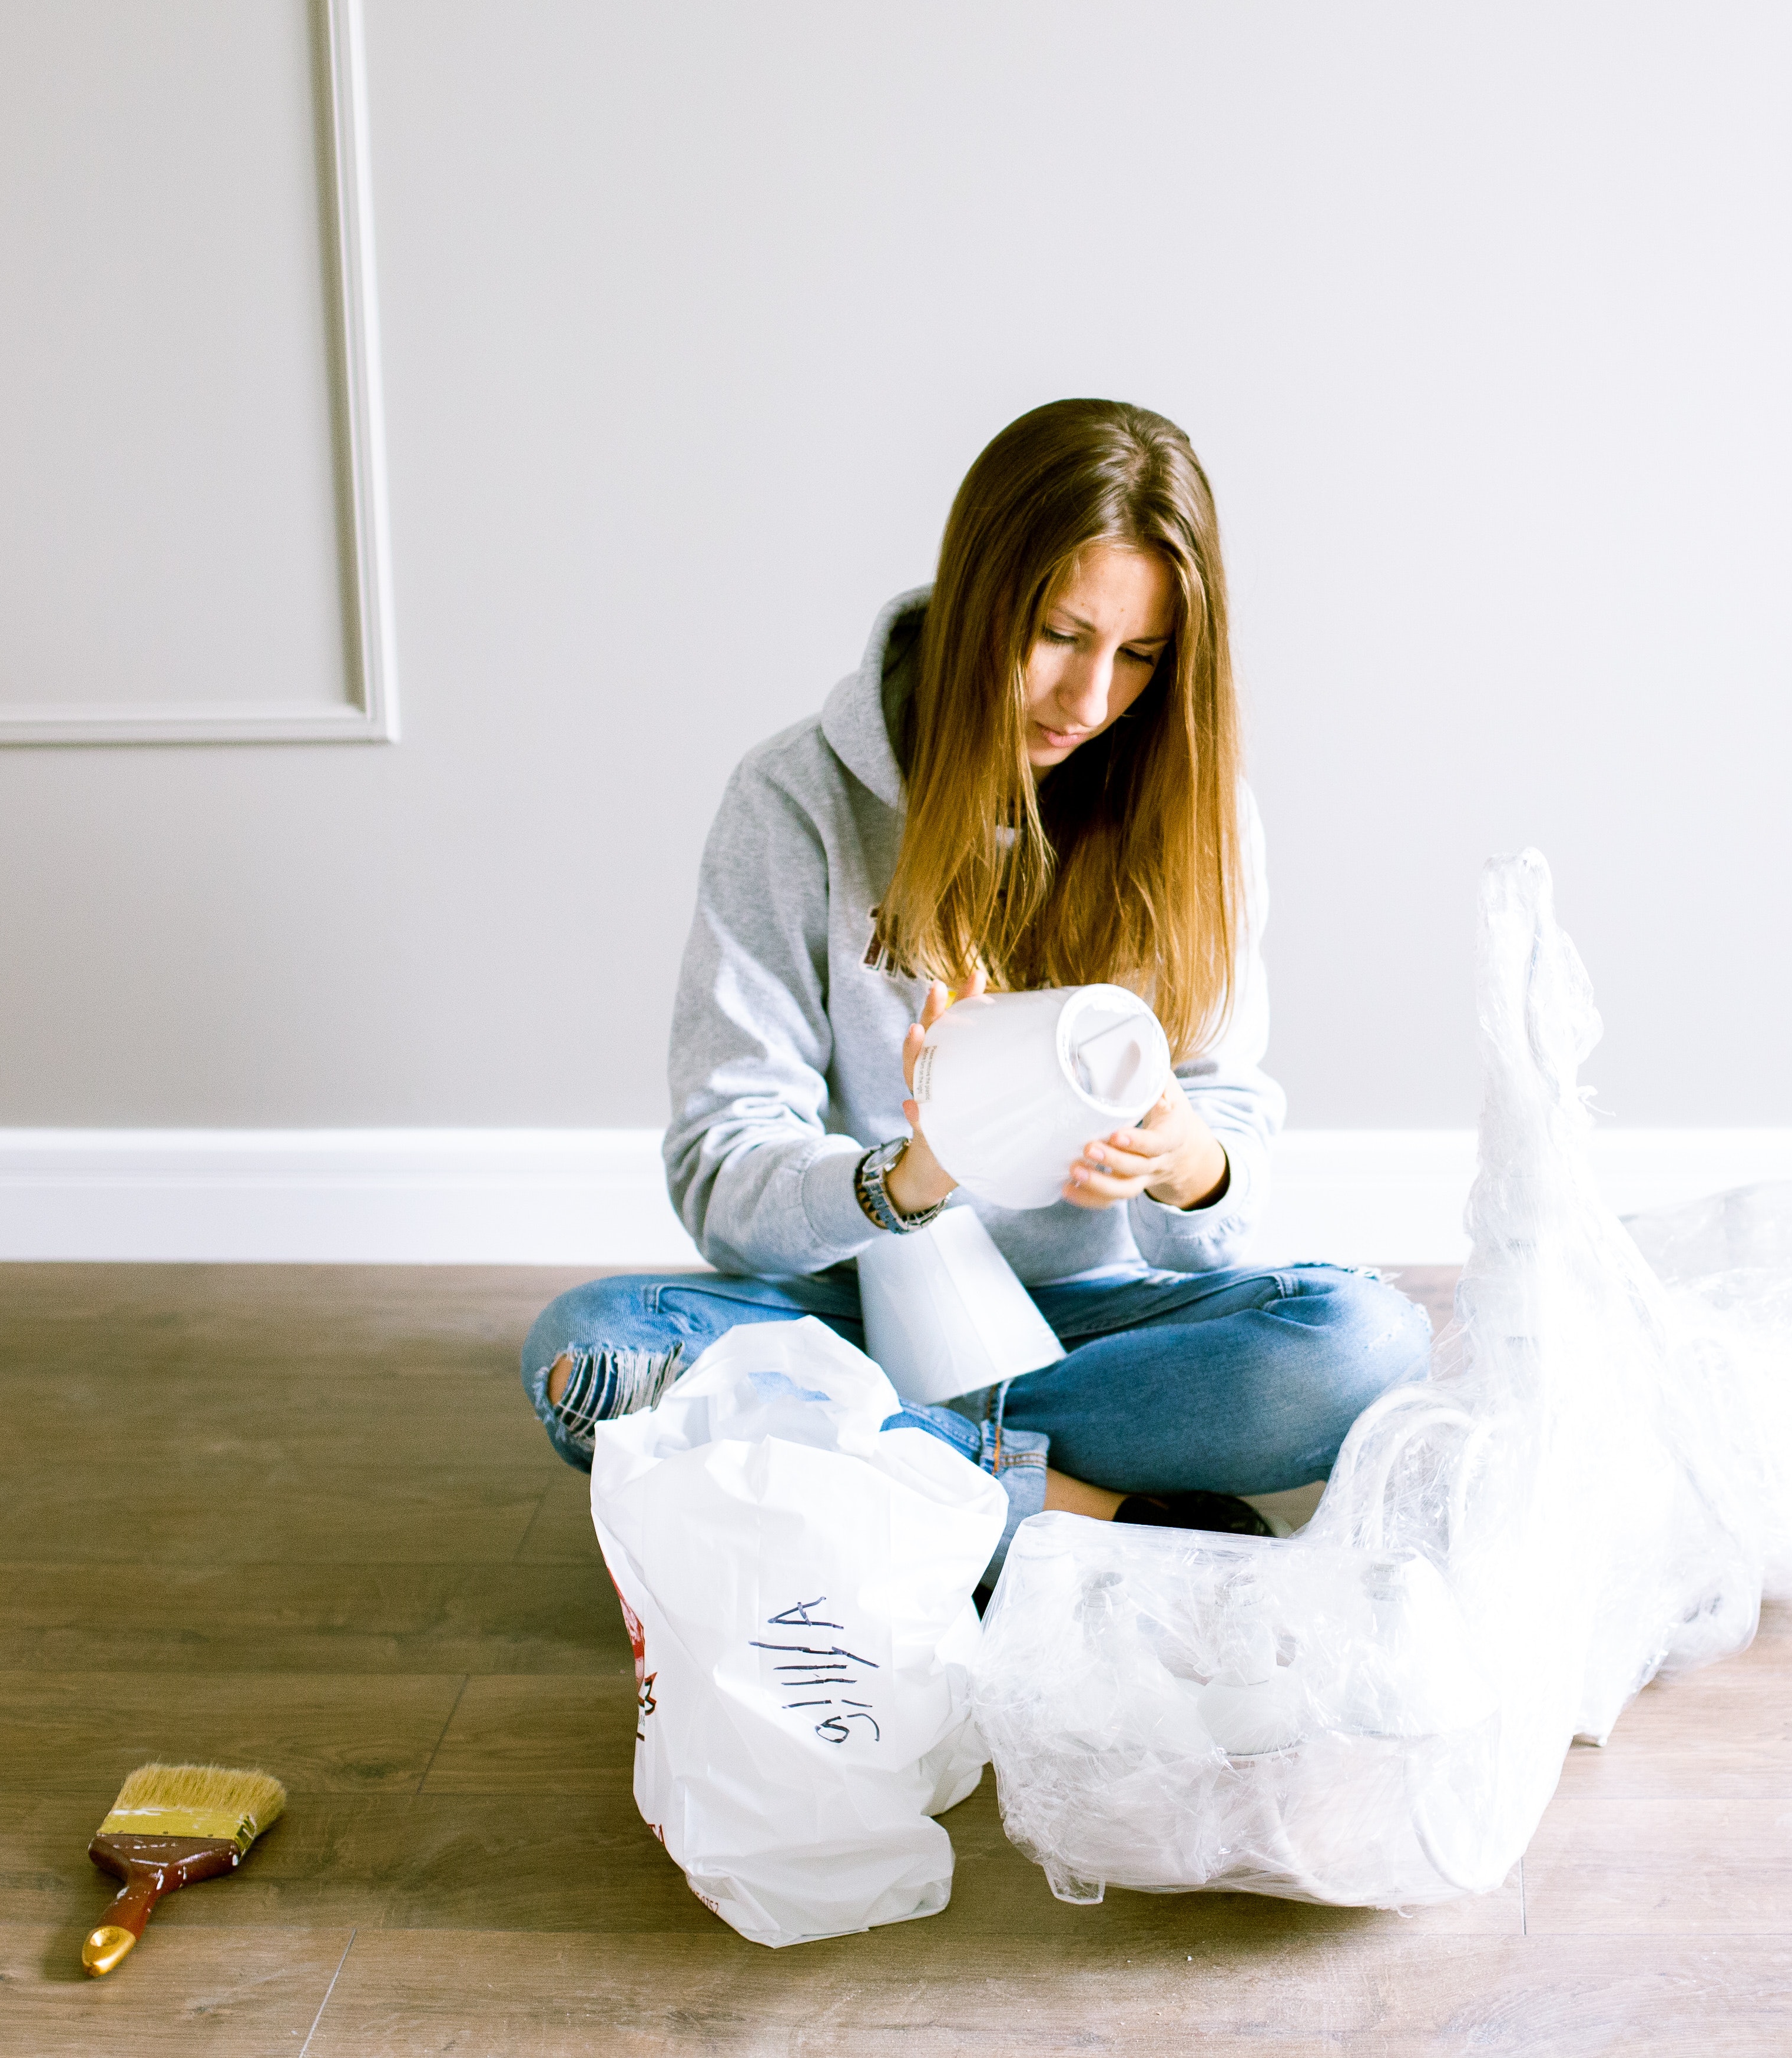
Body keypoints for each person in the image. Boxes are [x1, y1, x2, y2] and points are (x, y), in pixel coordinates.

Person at [521, 398, 1429, 1576]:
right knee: (589, 1353)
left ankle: (917, 1486)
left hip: (1094, 1334)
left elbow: (1221, 1196)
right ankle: (1084, 1516)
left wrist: (1185, 1162)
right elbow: (719, 1167)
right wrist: (910, 1173)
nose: (1091, 698)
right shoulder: (795, 804)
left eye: (1141, 656)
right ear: (978, 594)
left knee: (1365, 1344)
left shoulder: (1197, 821)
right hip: (848, 1322)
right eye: (1058, 633)